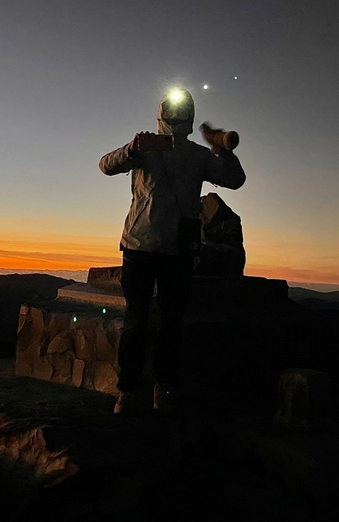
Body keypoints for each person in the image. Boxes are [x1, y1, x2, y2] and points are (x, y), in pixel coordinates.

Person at [98, 88, 246, 415]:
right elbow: (106, 165)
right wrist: (131, 149)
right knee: (138, 321)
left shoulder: (198, 156)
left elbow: (235, 179)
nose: (178, 119)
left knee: (169, 323)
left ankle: (162, 387)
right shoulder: (145, 148)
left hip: (175, 249)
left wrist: (222, 149)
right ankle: (130, 390)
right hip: (140, 246)